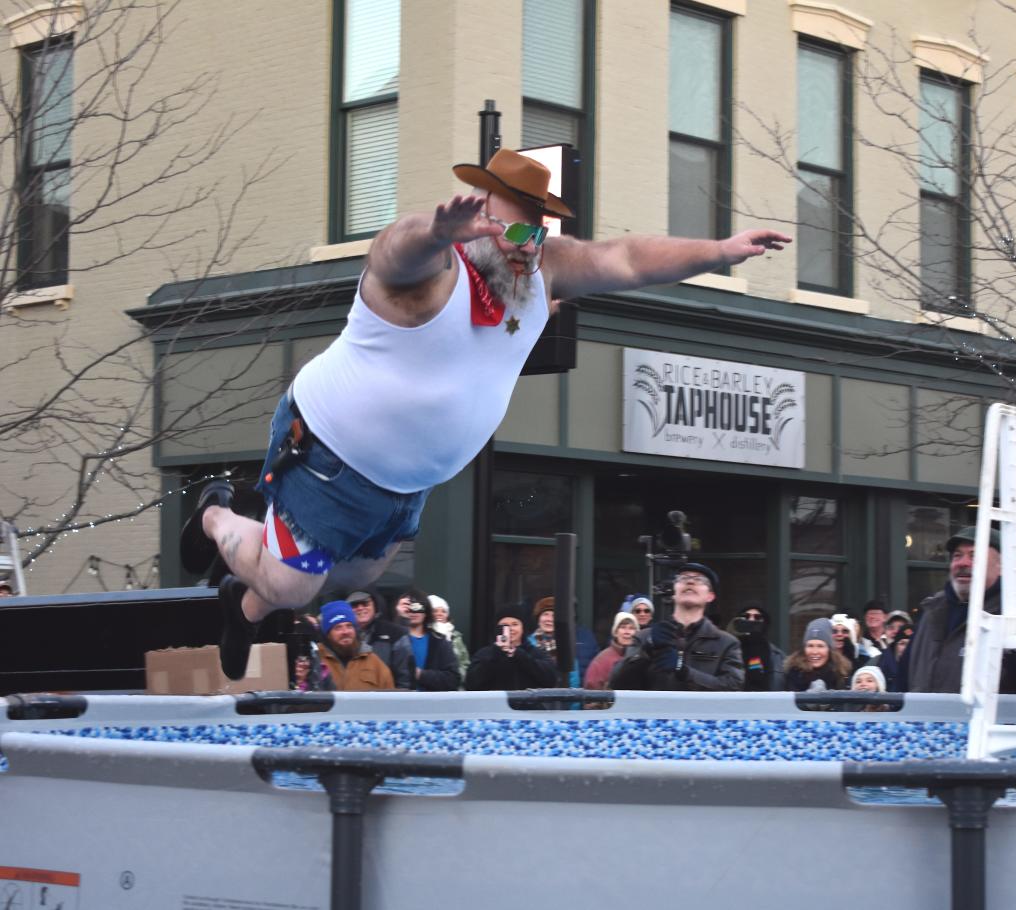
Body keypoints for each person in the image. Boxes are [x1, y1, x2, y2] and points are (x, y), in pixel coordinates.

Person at [178, 148, 791, 680]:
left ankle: (244, 604)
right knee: (295, 584)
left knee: (355, 574)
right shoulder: (430, 277)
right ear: (476, 225)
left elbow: (627, 259)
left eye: (532, 236)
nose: (521, 250)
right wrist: (435, 232)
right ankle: (216, 515)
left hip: (404, 482)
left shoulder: (541, 270)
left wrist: (719, 251)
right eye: (506, 233)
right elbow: (392, 252)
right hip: (330, 452)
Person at [900, 526, 1016, 694]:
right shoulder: (931, 611)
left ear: (1001, 566)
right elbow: (902, 679)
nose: (963, 563)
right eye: (957, 556)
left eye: (974, 556)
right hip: (923, 719)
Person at [609, 562, 743, 691]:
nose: (690, 582)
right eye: (683, 578)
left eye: (699, 579)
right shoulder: (644, 637)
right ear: (674, 592)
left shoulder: (727, 643)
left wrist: (685, 672)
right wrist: (646, 651)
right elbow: (617, 683)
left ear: (710, 596)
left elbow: (733, 687)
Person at [464, 606, 558, 691]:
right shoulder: (484, 653)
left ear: (523, 628)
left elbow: (551, 680)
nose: (510, 629)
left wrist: (520, 656)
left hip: (528, 708)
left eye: (515, 624)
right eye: (504, 625)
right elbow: (471, 684)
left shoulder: (536, 653)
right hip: (494, 707)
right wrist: (496, 654)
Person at [316, 601, 396, 691]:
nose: (345, 632)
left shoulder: (375, 663)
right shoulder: (316, 660)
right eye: (338, 627)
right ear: (328, 634)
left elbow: (389, 700)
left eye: (349, 626)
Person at [395, 589, 460, 691]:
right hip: (398, 702)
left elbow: (453, 679)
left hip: (430, 703)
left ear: (426, 611)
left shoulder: (439, 641)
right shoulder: (392, 640)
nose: (413, 610)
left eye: (417, 606)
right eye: (408, 606)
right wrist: (401, 616)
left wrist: (421, 675)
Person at [346, 590, 412, 690]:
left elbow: (405, 677)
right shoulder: (341, 635)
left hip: (388, 700)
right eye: (354, 605)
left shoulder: (395, 634)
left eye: (365, 603)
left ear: (375, 606)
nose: (360, 608)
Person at [725, 603, 786, 691]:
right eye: (746, 616)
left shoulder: (777, 656)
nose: (751, 620)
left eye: (757, 617)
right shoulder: (728, 650)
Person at [784, 618, 851, 691]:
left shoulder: (841, 675)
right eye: (810, 646)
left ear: (829, 649)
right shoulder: (793, 675)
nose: (815, 652)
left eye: (820, 646)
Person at [528, 596, 581, 687]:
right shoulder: (528, 645)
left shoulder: (565, 644)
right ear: (538, 619)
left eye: (554, 615)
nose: (549, 619)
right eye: (545, 614)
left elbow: (573, 681)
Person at [584, 612, 640, 690]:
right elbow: (591, 695)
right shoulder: (601, 661)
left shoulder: (643, 658)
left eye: (631, 628)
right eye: (623, 627)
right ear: (616, 632)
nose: (627, 632)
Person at [426, 592, 470, 682]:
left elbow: (465, 663)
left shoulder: (456, 636)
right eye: (435, 611)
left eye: (443, 611)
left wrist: (457, 677)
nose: (440, 614)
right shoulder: (424, 634)